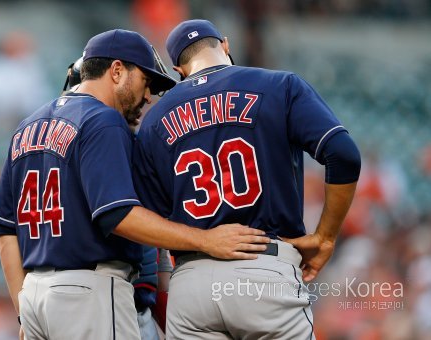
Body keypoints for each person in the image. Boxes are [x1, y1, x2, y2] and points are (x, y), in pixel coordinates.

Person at [0, 29, 270, 340]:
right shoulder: (103, 120)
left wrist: (23, 310)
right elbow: (118, 215)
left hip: (36, 297)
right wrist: (206, 240)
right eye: (146, 82)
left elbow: (6, 233)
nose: (148, 96)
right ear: (117, 71)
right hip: (89, 293)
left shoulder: (27, 127)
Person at [132, 19, 361, 339]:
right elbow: (343, 154)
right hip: (263, 265)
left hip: (191, 285)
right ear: (225, 45)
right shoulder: (279, 85)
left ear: (178, 69)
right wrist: (325, 236)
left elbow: (147, 220)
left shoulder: (154, 119)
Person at [62, 55, 172, 340]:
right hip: (107, 304)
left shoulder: (122, 144)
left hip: (106, 304)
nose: (147, 99)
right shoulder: (102, 142)